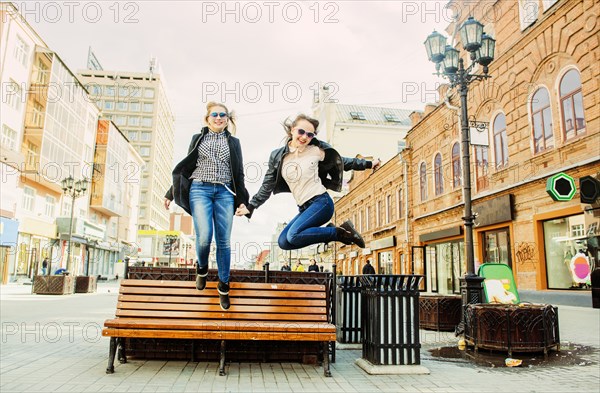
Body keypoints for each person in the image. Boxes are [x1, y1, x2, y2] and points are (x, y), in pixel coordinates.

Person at [235, 114, 380, 251]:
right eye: (301, 131)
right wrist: (251, 207)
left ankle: (338, 233)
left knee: (293, 235)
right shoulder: (278, 156)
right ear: (292, 130)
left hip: (321, 203)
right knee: (284, 242)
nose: (305, 137)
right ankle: (333, 231)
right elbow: (267, 185)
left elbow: (343, 162)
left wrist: (369, 164)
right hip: (304, 208)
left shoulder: (316, 150)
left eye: (310, 134)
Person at [164, 101, 249, 310]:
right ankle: (202, 268)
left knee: (224, 241)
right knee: (204, 237)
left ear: (227, 120)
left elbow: (238, 173)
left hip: (225, 193)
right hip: (199, 189)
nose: (219, 118)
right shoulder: (197, 138)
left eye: (223, 115)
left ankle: (223, 286)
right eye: (215, 115)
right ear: (207, 119)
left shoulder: (234, 142)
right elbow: (186, 167)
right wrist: (170, 193)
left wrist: (243, 201)